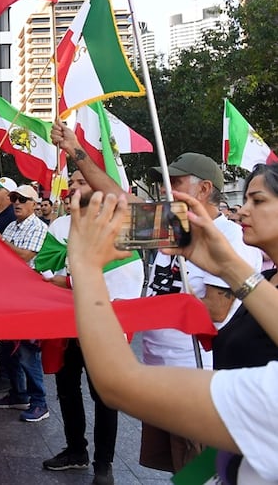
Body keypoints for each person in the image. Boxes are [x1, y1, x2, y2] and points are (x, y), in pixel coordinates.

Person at [52, 120, 263, 472]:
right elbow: (119, 197)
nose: (165, 189)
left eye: (176, 182)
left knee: (201, 471)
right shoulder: (175, 228)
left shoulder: (228, 236)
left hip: (196, 378)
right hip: (160, 372)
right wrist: (75, 151)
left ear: (204, 189)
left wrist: (129, 312)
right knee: (181, 470)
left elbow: (215, 309)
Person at [39, 171, 119, 485]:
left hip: (103, 324)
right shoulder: (60, 226)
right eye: (72, 181)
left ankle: (104, 464)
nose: (73, 186)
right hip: (66, 322)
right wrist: (69, 277)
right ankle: (76, 450)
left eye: (81, 181)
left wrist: (70, 277)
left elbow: (121, 273)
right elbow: (46, 266)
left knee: (105, 396)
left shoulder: (115, 226)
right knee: (67, 388)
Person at [0, 184, 51, 423]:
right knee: (7, 349)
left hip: (29, 295)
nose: (17, 203)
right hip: (9, 293)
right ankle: (18, 394)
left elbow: (25, 256)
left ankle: (39, 402)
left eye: (23, 199)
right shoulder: (13, 226)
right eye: (15, 198)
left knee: (27, 350)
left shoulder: (38, 227)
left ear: (34, 204)